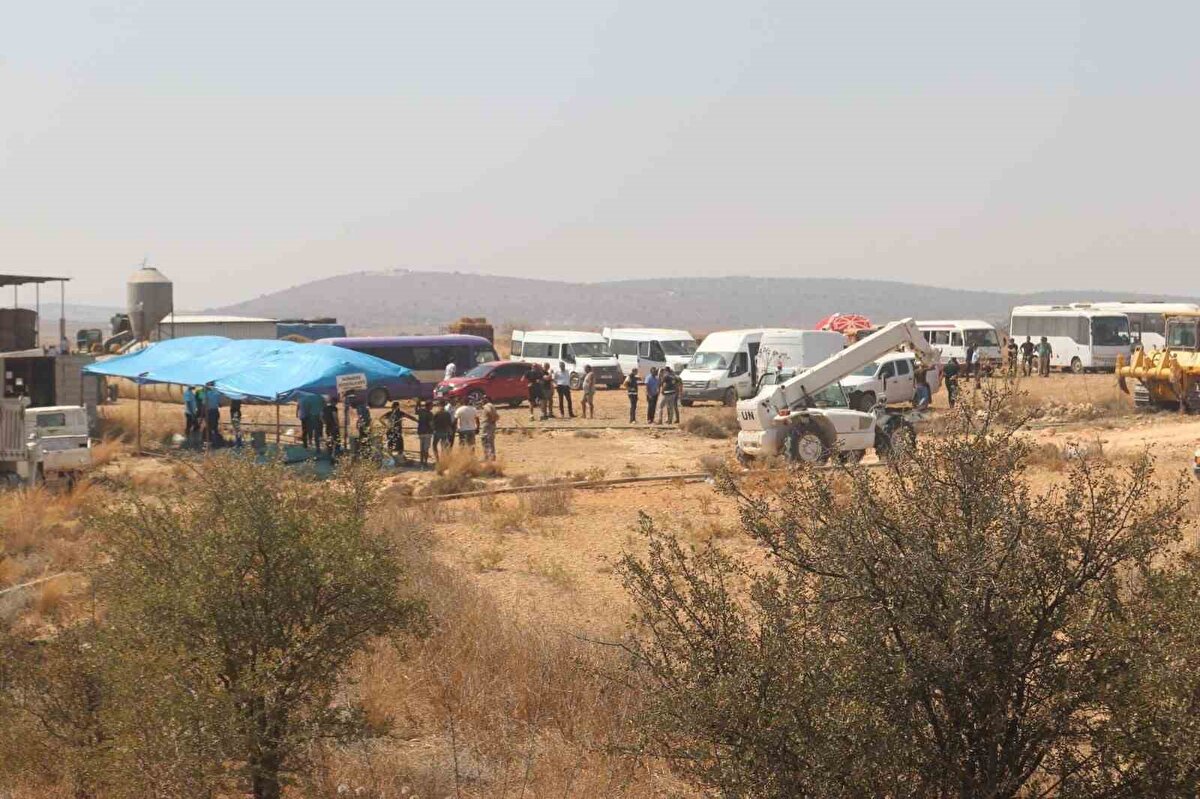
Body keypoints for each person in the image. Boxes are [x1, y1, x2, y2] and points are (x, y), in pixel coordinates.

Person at [416, 400, 434, 467]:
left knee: (421, 448)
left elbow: (416, 410)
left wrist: (417, 403)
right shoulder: (430, 414)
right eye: (431, 405)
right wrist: (433, 429)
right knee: (426, 449)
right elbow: (431, 424)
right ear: (429, 406)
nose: (432, 407)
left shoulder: (421, 411)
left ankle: (421, 461)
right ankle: (425, 462)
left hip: (420, 432)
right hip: (427, 432)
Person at [203, 382, 222, 447]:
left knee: (208, 427)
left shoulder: (206, 393)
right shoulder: (217, 393)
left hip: (209, 411)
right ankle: (216, 442)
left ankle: (208, 441)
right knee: (215, 427)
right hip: (215, 411)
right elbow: (220, 404)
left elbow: (204, 403)